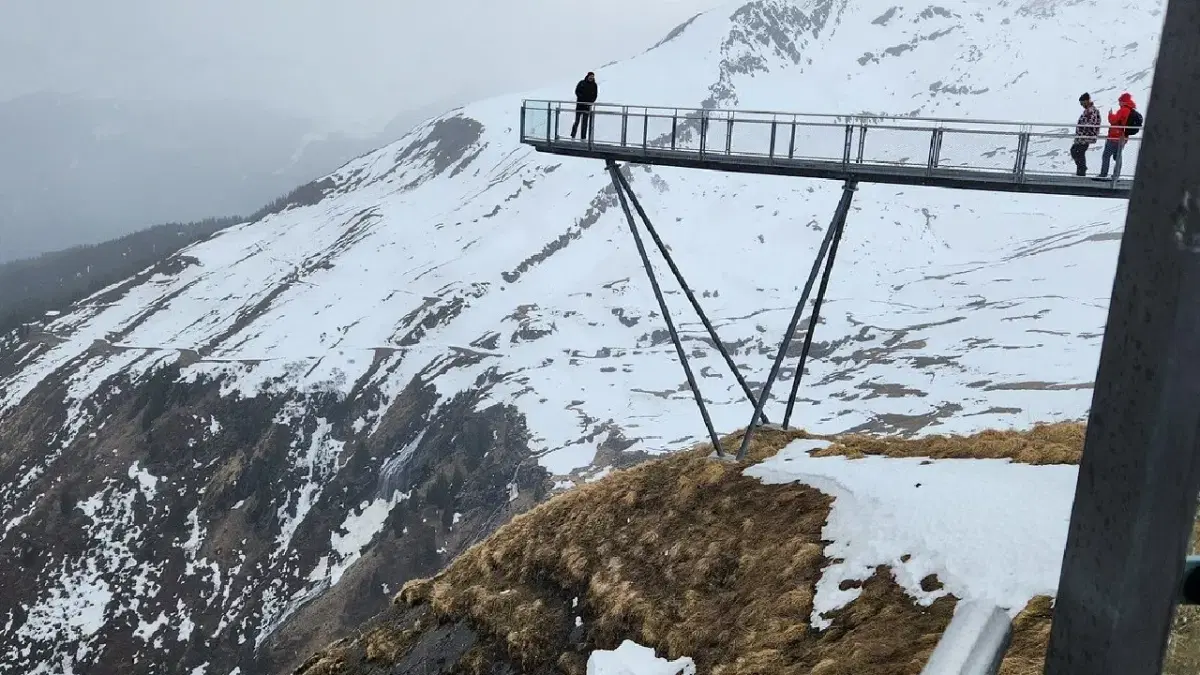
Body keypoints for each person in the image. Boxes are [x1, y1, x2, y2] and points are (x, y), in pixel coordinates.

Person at [1094, 92, 1137, 181]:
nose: (1119, 103)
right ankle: (1116, 175)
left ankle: (1103, 174)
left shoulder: (1123, 110)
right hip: (1123, 137)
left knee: (1106, 155)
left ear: (1123, 101)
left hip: (1114, 136)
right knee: (1118, 156)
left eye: (1120, 101)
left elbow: (1113, 120)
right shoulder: (1130, 110)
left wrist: (1110, 114)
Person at [1070, 93, 1101, 177]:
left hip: (1085, 136)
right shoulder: (1089, 110)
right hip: (1082, 136)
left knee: (1077, 151)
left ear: (1086, 101)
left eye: (1082, 103)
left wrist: (1083, 129)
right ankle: (1081, 169)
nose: (1081, 105)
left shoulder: (1091, 111)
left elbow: (1091, 123)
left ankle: (1081, 170)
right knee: (1077, 151)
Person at [570, 72, 598, 140]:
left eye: (592, 77)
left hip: (587, 106)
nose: (591, 78)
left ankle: (583, 137)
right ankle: (573, 135)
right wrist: (581, 98)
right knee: (577, 121)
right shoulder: (582, 83)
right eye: (590, 77)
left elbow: (595, 95)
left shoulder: (594, 85)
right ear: (587, 76)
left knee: (585, 123)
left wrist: (590, 102)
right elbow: (577, 91)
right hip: (580, 105)